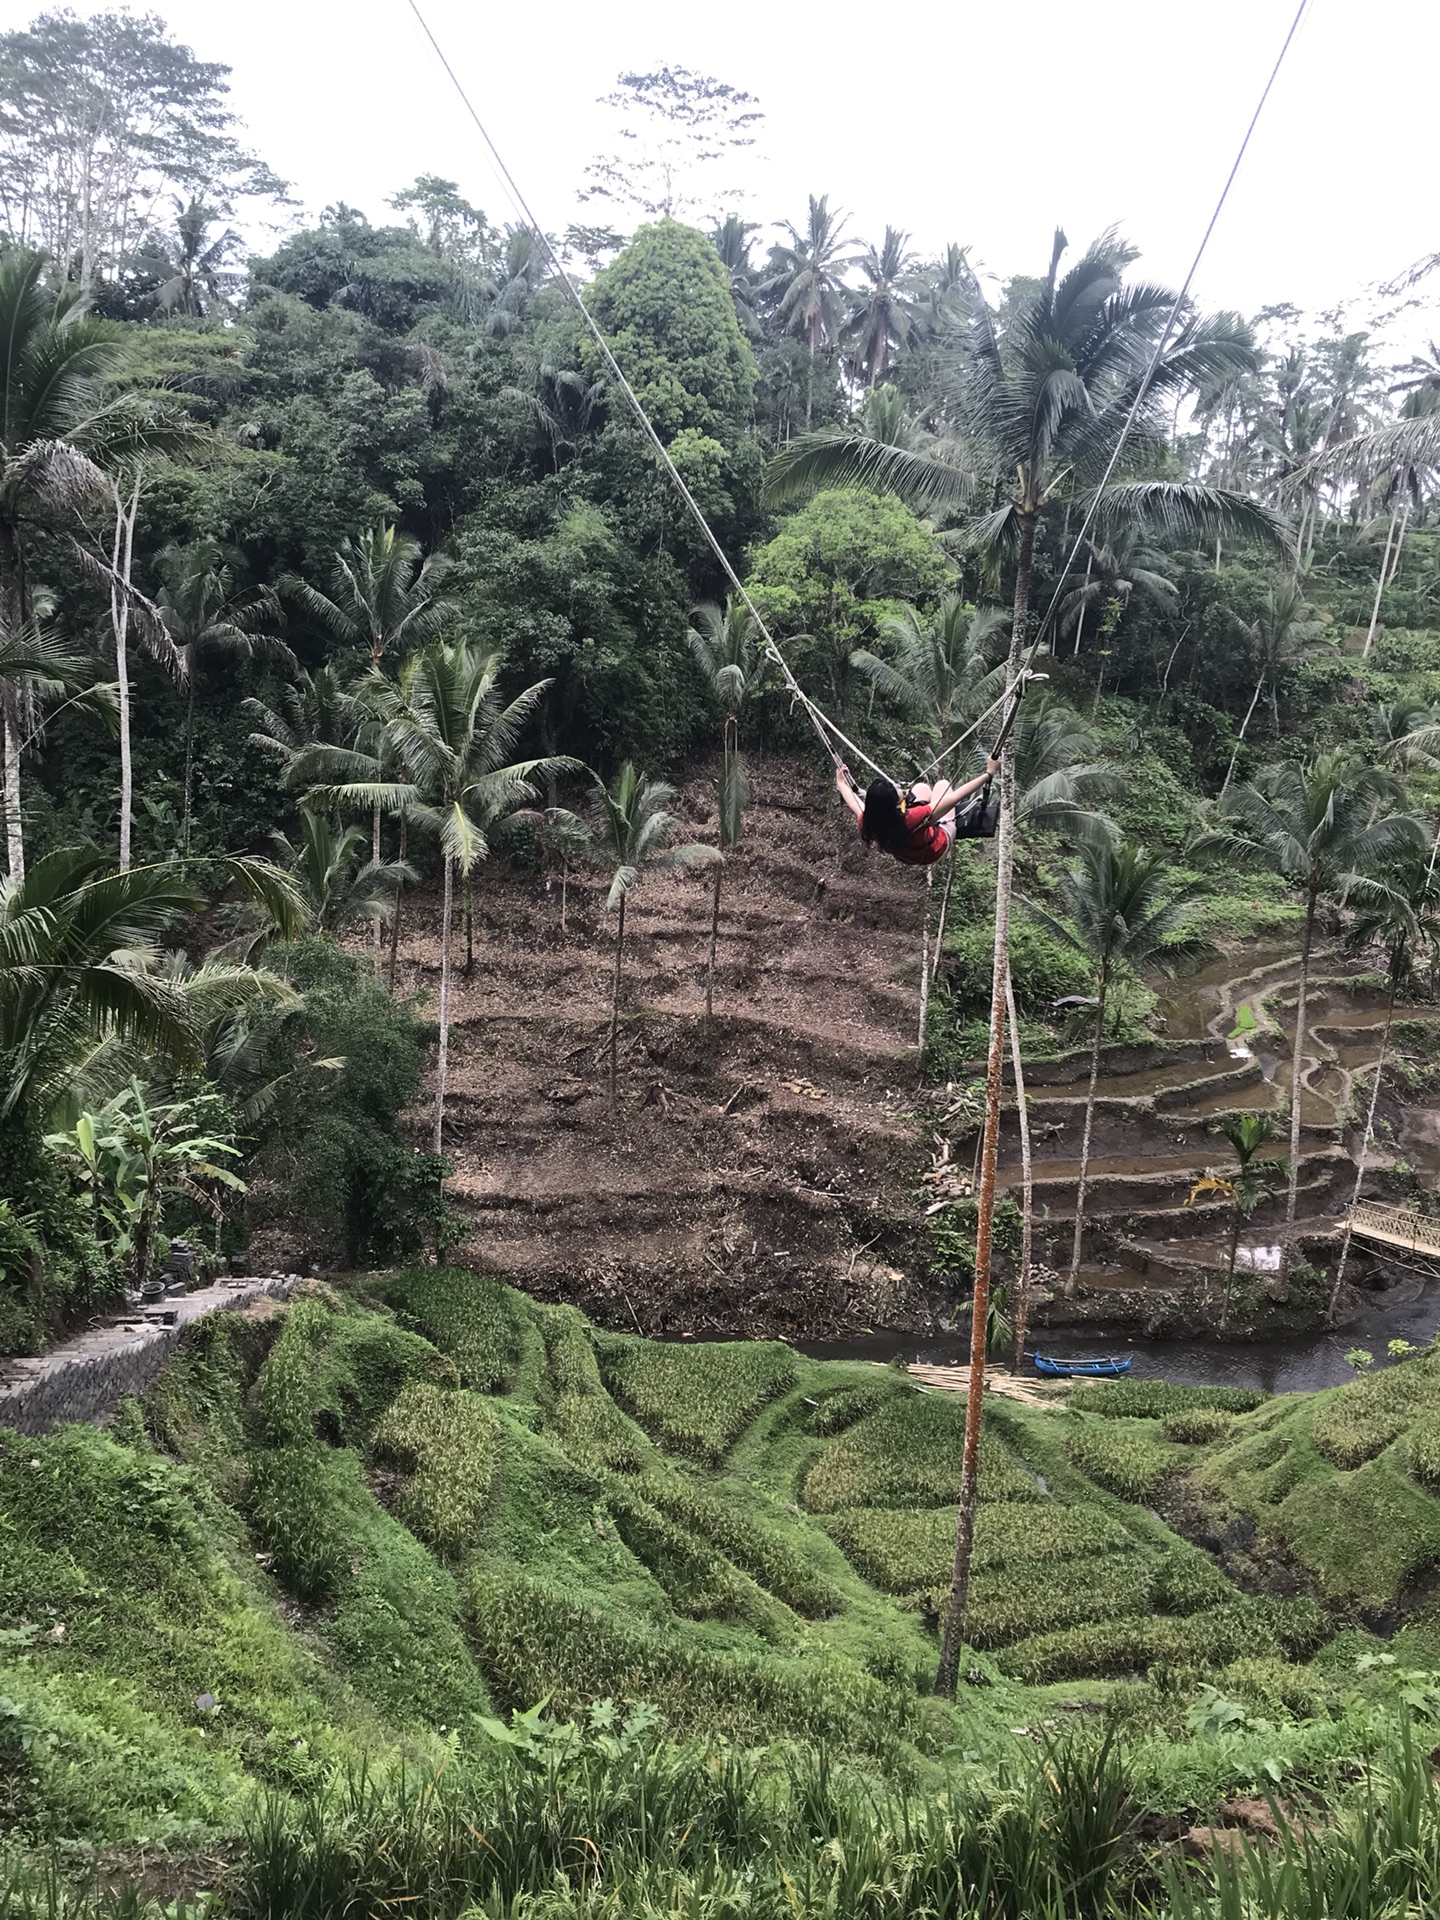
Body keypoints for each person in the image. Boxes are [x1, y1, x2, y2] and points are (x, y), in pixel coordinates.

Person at [835, 757, 1000, 866]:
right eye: (896, 788)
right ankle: (946, 826)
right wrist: (988, 773)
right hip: (937, 847)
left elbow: (854, 802)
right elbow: (954, 798)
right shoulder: (911, 818)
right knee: (942, 785)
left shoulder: (869, 821)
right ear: (895, 803)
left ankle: (928, 822)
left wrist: (842, 783)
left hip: (906, 855)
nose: (899, 786)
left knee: (921, 788)